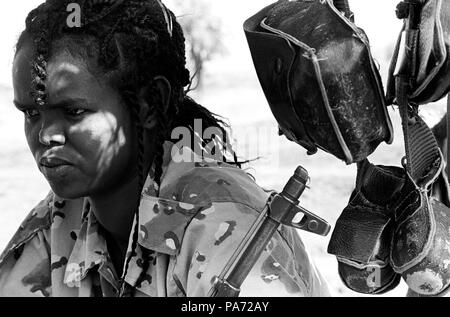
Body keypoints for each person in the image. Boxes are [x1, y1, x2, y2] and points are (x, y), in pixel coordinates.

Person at [0, 0, 329, 297]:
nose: (45, 135)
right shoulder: (61, 217)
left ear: (149, 105)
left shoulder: (223, 225)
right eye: (31, 113)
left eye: (74, 112)